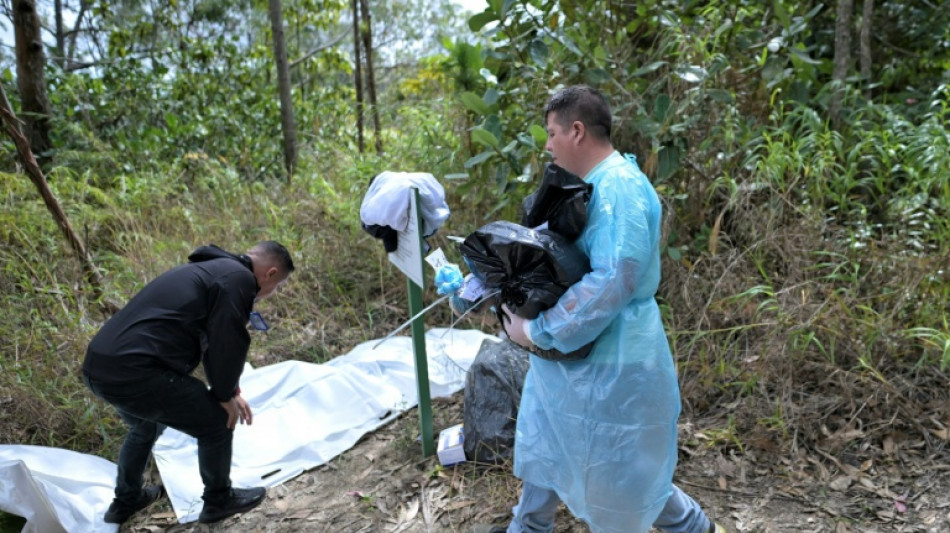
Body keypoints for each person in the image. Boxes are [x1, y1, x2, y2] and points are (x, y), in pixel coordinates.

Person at [476, 86, 725, 533]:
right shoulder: (587, 184)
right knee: (551, 446)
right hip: (572, 362)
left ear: (576, 130)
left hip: (614, 361)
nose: (547, 144)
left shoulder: (620, 188)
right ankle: (528, 528)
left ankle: (693, 528)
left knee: (625, 469)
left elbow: (612, 280)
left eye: (552, 133)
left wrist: (539, 330)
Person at [82, 241, 295, 525]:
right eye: (277, 285)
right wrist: (224, 396)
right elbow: (225, 341)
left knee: (146, 425)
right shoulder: (240, 279)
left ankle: (125, 501)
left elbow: (209, 340)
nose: (271, 293)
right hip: (135, 371)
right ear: (270, 273)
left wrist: (230, 389)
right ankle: (219, 499)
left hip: (98, 367)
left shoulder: (211, 268)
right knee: (218, 421)